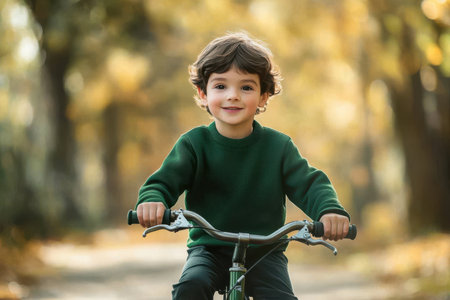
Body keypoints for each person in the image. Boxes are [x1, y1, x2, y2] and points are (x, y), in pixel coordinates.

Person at [135, 32, 351, 300]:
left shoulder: (278, 147)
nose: (233, 96)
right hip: (208, 250)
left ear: (263, 96)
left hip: (265, 253)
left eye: (246, 87)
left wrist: (329, 211)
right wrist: (153, 200)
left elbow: (310, 183)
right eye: (221, 86)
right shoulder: (193, 144)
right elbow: (162, 182)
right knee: (190, 287)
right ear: (203, 94)